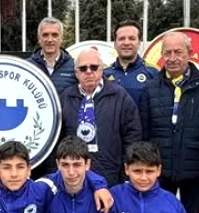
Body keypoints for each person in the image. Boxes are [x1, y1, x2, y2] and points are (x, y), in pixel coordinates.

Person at [139, 32, 199, 213]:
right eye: (167, 53)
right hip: (161, 170)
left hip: (195, 170)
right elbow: (145, 131)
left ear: (189, 54)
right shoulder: (150, 88)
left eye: (178, 52)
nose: (172, 58)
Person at [59, 47, 141, 186]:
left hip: (110, 176)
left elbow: (132, 136)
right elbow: (58, 139)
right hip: (74, 176)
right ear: (76, 73)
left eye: (94, 67)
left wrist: (125, 173)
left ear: (102, 69)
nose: (89, 72)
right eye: (83, 68)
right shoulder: (65, 98)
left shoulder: (120, 96)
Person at [102, 21, 157, 108]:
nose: (126, 43)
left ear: (139, 43)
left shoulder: (153, 72)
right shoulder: (103, 74)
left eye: (132, 38)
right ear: (115, 44)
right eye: (121, 39)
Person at [28, 17, 77, 94]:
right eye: (45, 35)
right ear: (39, 39)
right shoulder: (28, 66)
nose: (50, 40)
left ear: (61, 38)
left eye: (54, 35)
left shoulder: (75, 67)